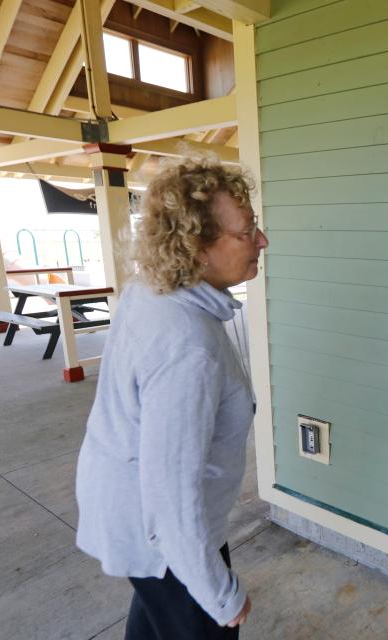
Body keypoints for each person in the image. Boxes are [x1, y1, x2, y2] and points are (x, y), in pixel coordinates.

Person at [75, 156, 268, 639]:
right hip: (161, 534)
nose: (262, 241)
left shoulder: (152, 290)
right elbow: (171, 496)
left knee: (154, 623)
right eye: (246, 232)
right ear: (197, 248)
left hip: (130, 509)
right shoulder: (187, 349)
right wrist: (221, 594)